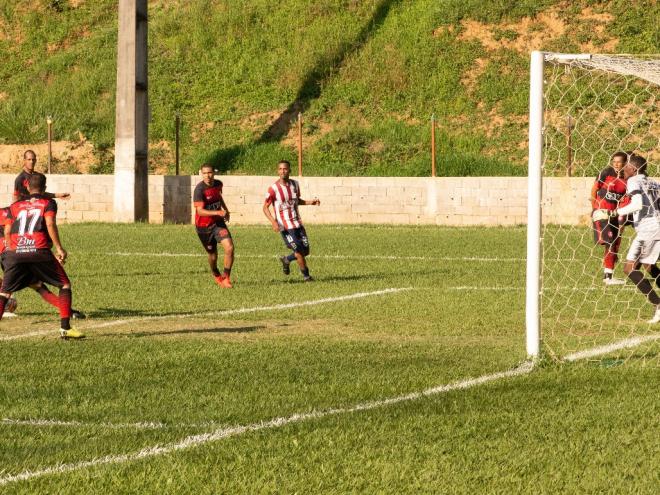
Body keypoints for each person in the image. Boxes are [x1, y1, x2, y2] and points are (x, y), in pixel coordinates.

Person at [0, 173, 84, 339]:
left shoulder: (15, 206)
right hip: (38, 249)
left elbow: (8, 230)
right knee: (64, 285)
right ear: (45, 188)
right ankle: (65, 328)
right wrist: (59, 248)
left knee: (4, 293)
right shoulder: (48, 202)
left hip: (16, 252)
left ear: (27, 188)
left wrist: (11, 248)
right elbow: (50, 223)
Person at [600, 154, 660, 323]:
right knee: (648, 265)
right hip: (657, 227)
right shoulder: (654, 182)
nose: (623, 169)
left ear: (633, 169)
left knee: (629, 269)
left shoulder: (634, 181)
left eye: (626, 166)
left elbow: (637, 204)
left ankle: (658, 304)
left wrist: (612, 212)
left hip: (648, 231)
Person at [263, 160, 320, 281]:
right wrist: (273, 222)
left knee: (306, 251)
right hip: (285, 226)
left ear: (289, 170)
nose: (283, 171)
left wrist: (310, 202)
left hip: (297, 223)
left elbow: (296, 200)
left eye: (285, 169)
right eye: (280, 169)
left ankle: (286, 259)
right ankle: (306, 276)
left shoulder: (295, 184)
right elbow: (265, 207)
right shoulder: (273, 189)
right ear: (277, 171)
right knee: (299, 251)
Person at [193, 164, 234, 288]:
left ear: (214, 173)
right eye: (205, 173)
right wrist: (218, 212)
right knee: (212, 255)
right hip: (204, 227)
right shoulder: (199, 190)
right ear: (201, 173)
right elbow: (200, 211)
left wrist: (226, 210)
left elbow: (218, 197)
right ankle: (216, 274)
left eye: (209, 173)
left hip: (218, 223)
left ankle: (226, 278)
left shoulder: (218, 184)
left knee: (229, 248)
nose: (207, 176)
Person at [590, 151, 628, 285]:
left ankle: (608, 276)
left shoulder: (626, 178)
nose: (616, 164)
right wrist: (595, 207)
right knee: (610, 241)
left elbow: (624, 199)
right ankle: (607, 277)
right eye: (614, 161)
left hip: (614, 215)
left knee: (615, 244)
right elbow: (594, 189)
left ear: (625, 163)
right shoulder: (606, 173)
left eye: (619, 162)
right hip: (601, 213)